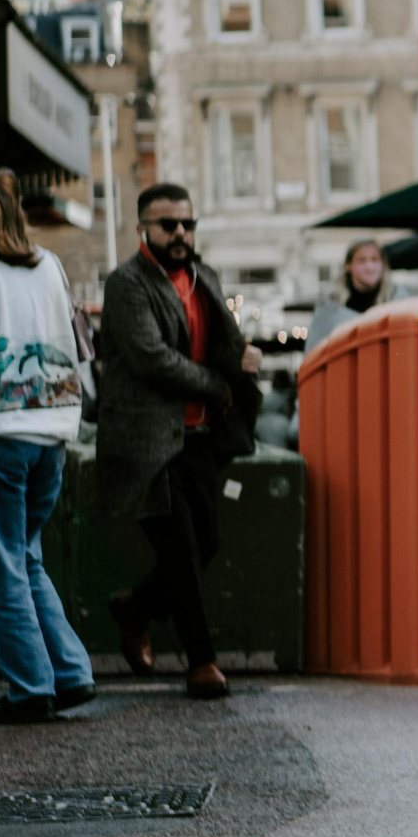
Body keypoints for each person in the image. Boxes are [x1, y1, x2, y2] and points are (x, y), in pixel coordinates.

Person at [98, 183, 261, 701]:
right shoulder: (127, 284)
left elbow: (220, 345)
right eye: (168, 225)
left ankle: (135, 608)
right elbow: (150, 358)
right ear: (144, 227)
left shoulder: (203, 277)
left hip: (200, 436)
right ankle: (202, 663)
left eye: (187, 224)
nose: (180, 234)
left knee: (206, 542)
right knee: (182, 550)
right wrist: (219, 383)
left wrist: (242, 363)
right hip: (148, 440)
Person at [0, 167, 95, 725]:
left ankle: (30, 687)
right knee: (26, 556)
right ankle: (70, 670)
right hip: (51, 434)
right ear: (17, 213)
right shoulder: (49, 267)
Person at [304, 239, 392, 350]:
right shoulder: (330, 307)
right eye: (362, 261)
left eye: (375, 260)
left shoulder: (397, 302)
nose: (369, 267)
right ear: (348, 266)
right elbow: (313, 352)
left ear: (383, 265)